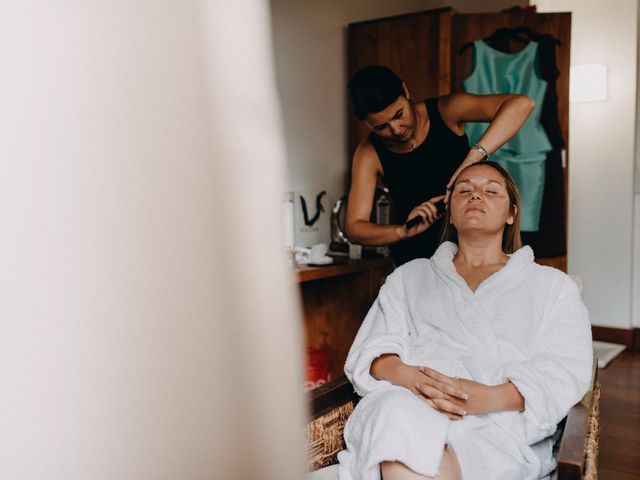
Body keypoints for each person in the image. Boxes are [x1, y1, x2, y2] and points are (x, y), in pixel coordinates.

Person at [337, 162, 593, 480]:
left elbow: (565, 369)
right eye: (464, 190)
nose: (475, 195)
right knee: (393, 414)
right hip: (411, 402)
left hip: (499, 420)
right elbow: (374, 349)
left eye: (491, 190)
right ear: (451, 211)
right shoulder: (409, 277)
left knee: (431, 444)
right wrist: (409, 377)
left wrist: (488, 397)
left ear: (512, 213)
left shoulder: (553, 287)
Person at [346, 65, 536, 266]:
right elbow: (354, 228)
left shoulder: (447, 111)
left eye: (398, 115)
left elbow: (522, 104)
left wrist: (474, 156)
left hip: (474, 251)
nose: (396, 129)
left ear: (406, 90)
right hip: (419, 260)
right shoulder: (369, 153)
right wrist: (402, 231)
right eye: (381, 127)